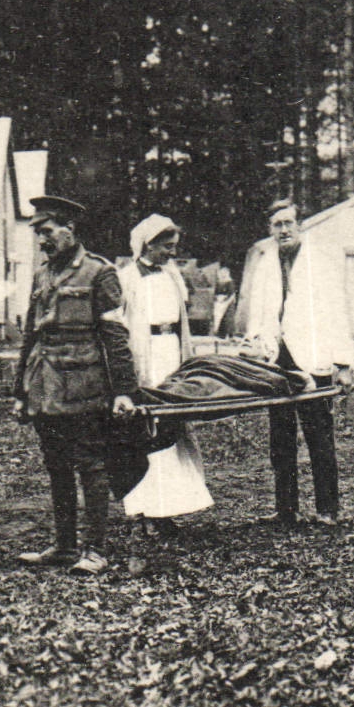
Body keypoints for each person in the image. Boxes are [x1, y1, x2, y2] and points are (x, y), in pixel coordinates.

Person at [11, 196, 139, 576]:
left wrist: (124, 390)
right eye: (38, 234)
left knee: (91, 466)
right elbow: (30, 336)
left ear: (70, 229)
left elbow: (115, 336)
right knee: (57, 466)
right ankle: (64, 546)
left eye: (47, 232)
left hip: (85, 384)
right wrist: (20, 391)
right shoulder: (41, 275)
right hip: (44, 386)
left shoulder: (100, 273)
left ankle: (95, 550)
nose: (42, 241)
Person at [241, 199, 354, 527]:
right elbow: (260, 313)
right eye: (277, 225)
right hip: (277, 360)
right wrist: (256, 347)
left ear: (300, 226)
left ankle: (327, 509)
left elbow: (337, 312)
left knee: (319, 436)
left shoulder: (318, 262)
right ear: (270, 230)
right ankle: (286, 508)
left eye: (289, 223)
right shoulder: (265, 264)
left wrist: (343, 364)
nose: (284, 230)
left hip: (313, 359)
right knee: (281, 438)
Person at [117, 214, 213, 532]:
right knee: (148, 431)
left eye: (174, 247)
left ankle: (168, 509)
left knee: (173, 429)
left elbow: (182, 321)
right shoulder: (126, 277)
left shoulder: (172, 276)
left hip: (171, 353)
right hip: (145, 358)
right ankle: (146, 510)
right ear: (148, 244)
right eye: (165, 247)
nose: (170, 253)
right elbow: (120, 326)